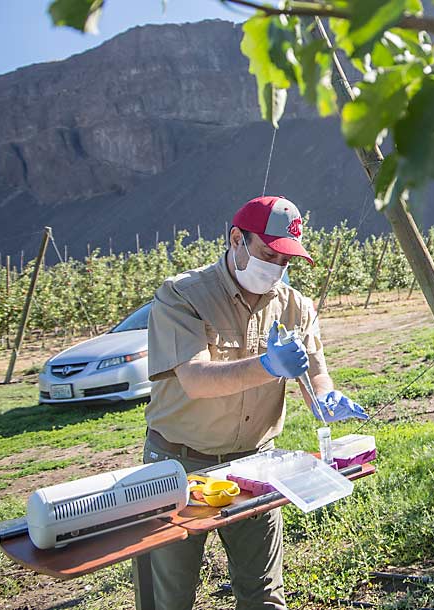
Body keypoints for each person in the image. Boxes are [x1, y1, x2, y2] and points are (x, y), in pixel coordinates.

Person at [134, 195, 367, 610]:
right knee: (170, 597)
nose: (276, 269)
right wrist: (267, 365)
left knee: (263, 594)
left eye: (285, 261)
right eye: (267, 254)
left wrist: (325, 397)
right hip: (178, 466)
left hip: (255, 465)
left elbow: (315, 372)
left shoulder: (296, 306)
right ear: (236, 240)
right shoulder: (182, 296)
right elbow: (195, 380)